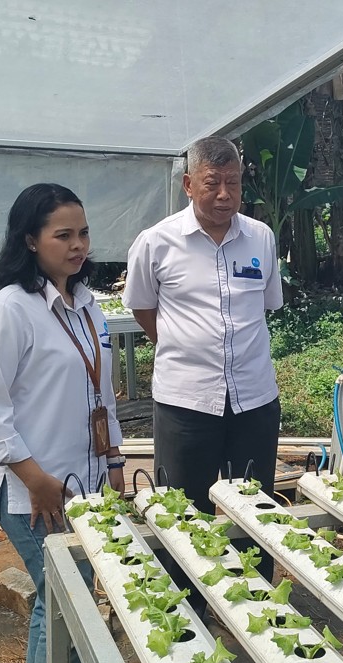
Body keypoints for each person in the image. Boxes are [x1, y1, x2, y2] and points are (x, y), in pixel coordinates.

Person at [0, 183, 124, 663]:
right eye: (63, 235)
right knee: (59, 608)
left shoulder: (86, 305)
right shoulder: (11, 308)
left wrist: (111, 464)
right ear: (30, 240)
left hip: (81, 482)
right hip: (35, 490)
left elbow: (100, 394)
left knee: (72, 602)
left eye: (83, 233)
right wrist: (32, 475)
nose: (78, 245)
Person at [124, 137, 281, 582]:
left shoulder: (260, 238)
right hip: (184, 403)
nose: (224, 195)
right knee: (182, 512)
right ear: (189, 184)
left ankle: (253, 604)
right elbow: (142, 308)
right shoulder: (156, 243)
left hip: (253, 401)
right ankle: (187, 615)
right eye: (212, 184)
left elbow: (266, 304)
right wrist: (182, 347)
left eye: (233, 183)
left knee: (253, 510)